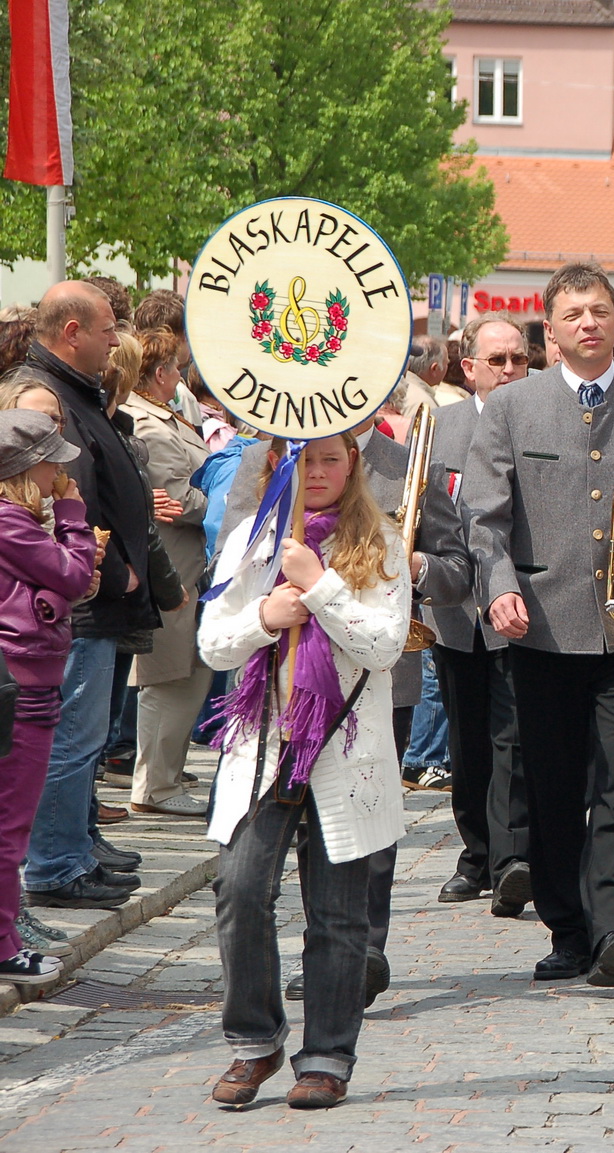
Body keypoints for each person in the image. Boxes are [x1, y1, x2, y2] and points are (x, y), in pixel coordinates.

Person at [466, 262, 614, 986]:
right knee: (553, 784)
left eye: (599, 311)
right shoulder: (513, 407)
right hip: (540, 626)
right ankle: (568, 928)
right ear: (551, 328)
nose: (588, 324)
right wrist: (498, 588)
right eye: (573, 314)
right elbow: (483, 516)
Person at [218, 415, 469, 1001]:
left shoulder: (406, 461)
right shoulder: (265, 458)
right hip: (273, 694)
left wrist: (410, 569)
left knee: (356, 841)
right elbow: (228, 564)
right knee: (252, 872)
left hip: (372, 682)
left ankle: (357, 954)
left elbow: (455, 568)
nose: (321, 469)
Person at [202, 432, 411, 1110]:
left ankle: (326, 1055)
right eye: (304, 459)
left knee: (338, 915)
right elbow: (213, 641)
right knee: (239, 888)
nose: (317, 471)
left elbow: (384, 645)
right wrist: (268, 613)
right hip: (265, 745)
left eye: (331, 458)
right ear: (278, 464)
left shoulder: (379, 541)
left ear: (352, 465)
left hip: (343, 753)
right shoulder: (255, 538)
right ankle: (255, 1039)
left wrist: (319, 585)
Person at [11, 282, 158, 912]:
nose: (115, 339)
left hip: (79, 583)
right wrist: (106, 562)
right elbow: (52, 492)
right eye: (106, 328)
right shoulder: (44, 395)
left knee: (80, 735)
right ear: (72, 331)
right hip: (67, 589)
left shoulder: (71, 390)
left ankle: (73, 848)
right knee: (68, 735)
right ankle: (55, 863)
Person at [426, 313, 533, 915]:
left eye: (519, 358)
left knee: (512, 737)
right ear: (468, 368)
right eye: (498, 360)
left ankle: (512, 858)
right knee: (466, 744)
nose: (511, 370)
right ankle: (476, 854)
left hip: (517, 603)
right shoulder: (441, 426)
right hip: (455, 606)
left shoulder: (539, 417)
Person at [0, 411, 98, 986]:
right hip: (24, 681)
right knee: (11, 820)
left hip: (28, 677)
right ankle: (3, 943)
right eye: (51, 463)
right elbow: (70, 574)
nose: (59, 472)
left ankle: (7, 936)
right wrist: (73, 515)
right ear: (26, 467)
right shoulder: (11, 520)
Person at [120, 329, 211, 817]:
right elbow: (178, 500)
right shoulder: (151, 425)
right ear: (159, 374)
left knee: (187, 675)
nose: (181, 376)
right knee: (169, 677)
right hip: (172, 567)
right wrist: (230, 493)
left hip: (186, 567)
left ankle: (165, 780)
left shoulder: (163, 416)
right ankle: (154, 786)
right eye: (177, 368)